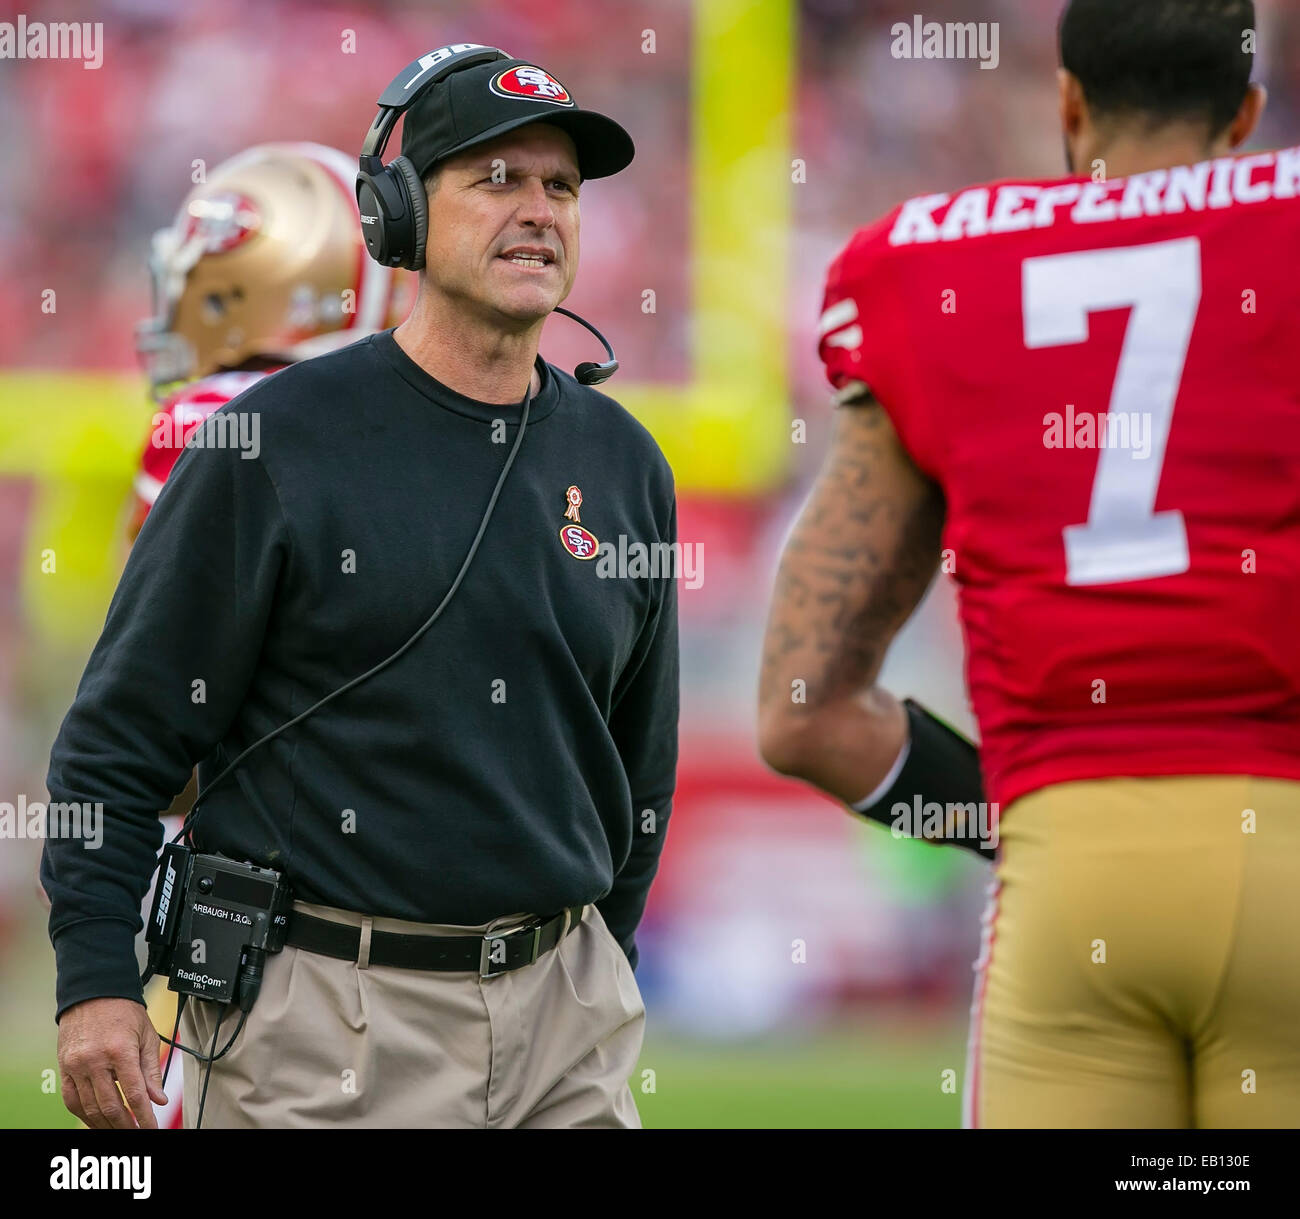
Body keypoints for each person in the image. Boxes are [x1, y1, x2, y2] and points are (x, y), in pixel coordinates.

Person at [42, 46, 678, 1130]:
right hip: (325, 1019)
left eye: (559, 188)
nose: (537, 211)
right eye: (497, 179)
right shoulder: (271, 442)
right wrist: (97, 979)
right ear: (398, 216)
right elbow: (118, 740)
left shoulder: (626, 463)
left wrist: (593, 967)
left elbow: (635, 772)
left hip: (563, 1019)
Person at [759, 0, 1300, 1127]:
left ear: (1066, 102)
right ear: (1246, 113)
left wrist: (1024, 821)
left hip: (1073, 874)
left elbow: (800, 709)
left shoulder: (931, 267)